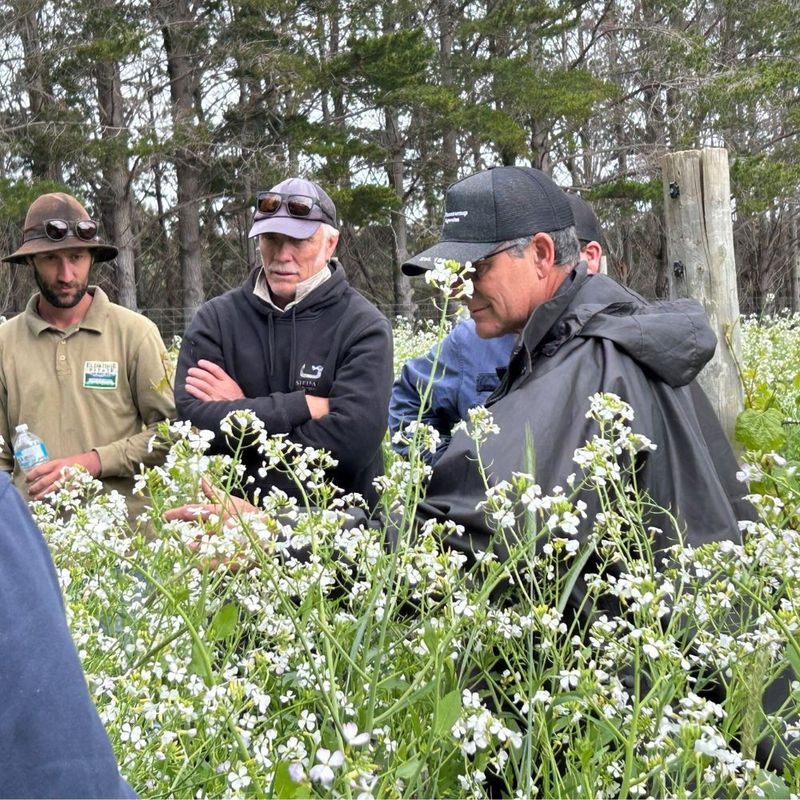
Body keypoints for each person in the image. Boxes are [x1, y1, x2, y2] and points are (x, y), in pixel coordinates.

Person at [174, 177, 393, 507]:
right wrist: (304, 405)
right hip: (232, 533)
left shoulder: (364, 326)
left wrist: (240, 410)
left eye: (298, 240)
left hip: (338, 536)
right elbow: (193, 423)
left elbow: (351, 447)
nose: (282, 255)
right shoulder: (216, 320)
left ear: (330, 243)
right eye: (271, 239)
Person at [388, 192, 605, 464]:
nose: (462, 291)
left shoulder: (613, 346)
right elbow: (410, 397)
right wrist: (451, 478)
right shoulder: (474, 338)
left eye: (480, 268)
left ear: (590, 257)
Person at [0, 193, 175, 510]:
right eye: (51, 259)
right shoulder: (4, 344)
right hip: (35, 543)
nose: (66, 275)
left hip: (125, 544)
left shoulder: (135, 334)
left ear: (92, 258)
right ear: (30, 261)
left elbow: (170, 434)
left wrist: (94, 462)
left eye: (77, 257)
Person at [0, 471, 135, 797]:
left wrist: (92, 462)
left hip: (118, 542)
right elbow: (61, 775)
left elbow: (163, 435)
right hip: (58, 541)